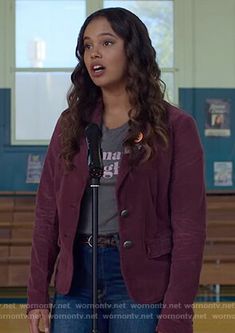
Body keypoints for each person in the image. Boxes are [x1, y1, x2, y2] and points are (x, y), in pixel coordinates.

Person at [27, 7, 206, 333]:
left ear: (132, 50)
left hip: (140, 282)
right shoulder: (71, 124)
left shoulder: (177, 127)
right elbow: (46, 215)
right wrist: (37, 296)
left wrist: (177, 312)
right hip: (75, 281)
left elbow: (189, 230)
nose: (94, 52)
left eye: (106, 43)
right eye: (87, 45)